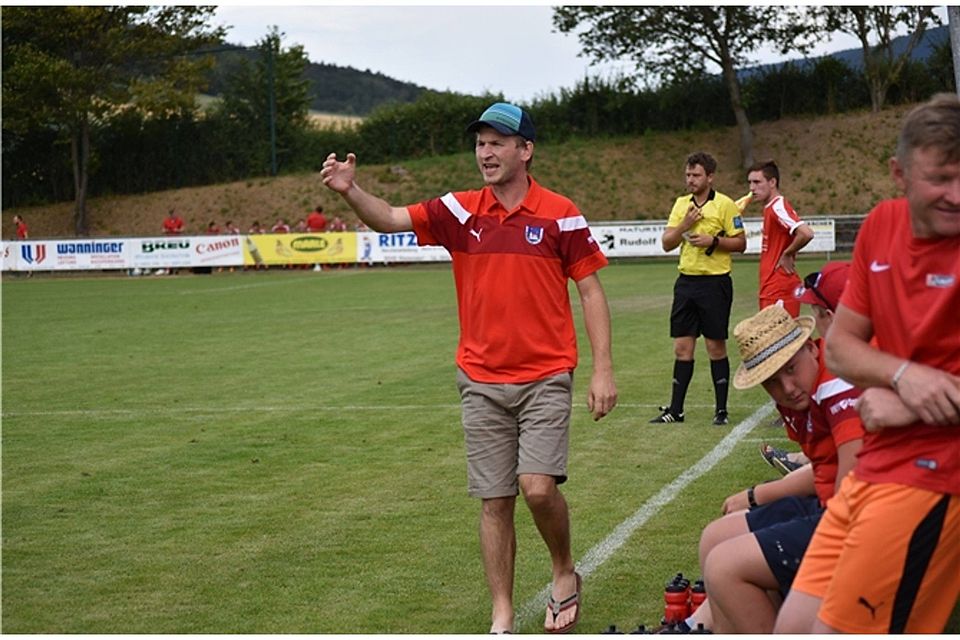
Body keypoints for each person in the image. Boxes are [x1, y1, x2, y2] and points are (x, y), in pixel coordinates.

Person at [320, 101, 618, 634]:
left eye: (498, 142)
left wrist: (603, 371)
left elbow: (591, 290)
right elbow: (390, 218)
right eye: (480, 142)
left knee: (537, 488)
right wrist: (350, 191)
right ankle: (501, 613)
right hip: (480, 380)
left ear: (526, 151)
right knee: (494, 501)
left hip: (546, 375)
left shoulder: (561, 212)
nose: (486, 152)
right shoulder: (460, 211)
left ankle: (563, 569)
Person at [775, 93, 960, 634]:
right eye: (940, 178)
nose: (956, 195)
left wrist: (911, 405)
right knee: (793, 626)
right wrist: (903, 375)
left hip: (936, 478)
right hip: (876, 469)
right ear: (898, 173)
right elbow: (841, 347)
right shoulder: (881, 224)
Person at [673, 284, 863, 634]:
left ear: (811, 348)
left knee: (723, 567)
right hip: (827, 503)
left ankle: (697, 626)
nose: (787, 388)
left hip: (851, 518)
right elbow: (822, 468)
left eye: (791, 369)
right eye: (772, 382)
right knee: (714, 538)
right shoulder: (799, 398)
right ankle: (703, 626)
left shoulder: (835, 387)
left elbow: (852, 484)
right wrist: (754, 495)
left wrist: (756, 496)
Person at [651, 152, 747, 426]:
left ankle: (721, 410)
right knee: (682, 348)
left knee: (716, 346)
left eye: (696, 175)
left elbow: (741, 244)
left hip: (715, 283)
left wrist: (713, 241)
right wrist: (685, 224)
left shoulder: (726, 205)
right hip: (686, 284)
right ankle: (676, 410)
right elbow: (667, 243)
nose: (690, 180)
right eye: (688, 175)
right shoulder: (681, 204)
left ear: (710, 177)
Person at [747, 160, 814, 317]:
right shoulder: (770, 207)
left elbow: (806, 233)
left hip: (779, 286)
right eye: (749, 183)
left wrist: (787, 253)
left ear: (772, 182)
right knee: (776, 340)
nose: (751, 188)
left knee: (783, 341)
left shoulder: (778, 206)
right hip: (771, 286)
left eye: (757, 182)